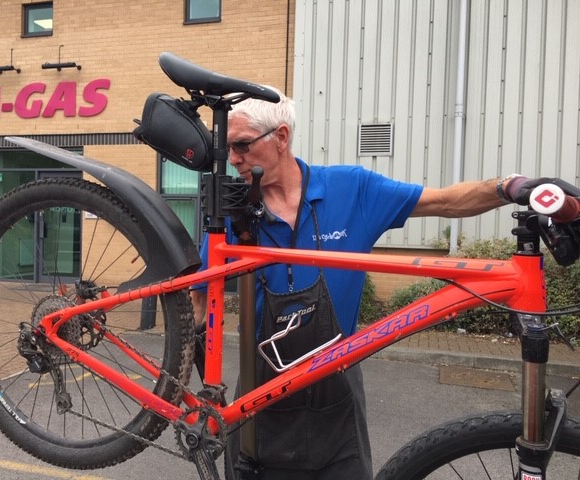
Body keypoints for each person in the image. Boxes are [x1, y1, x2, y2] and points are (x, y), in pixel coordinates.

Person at [190, 87, 544, 479]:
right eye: (227, 148)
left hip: (338, 401)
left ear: (281, 137)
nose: (233, 159)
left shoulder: (352, 190)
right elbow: (202, 301)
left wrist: (510, 187)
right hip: (259, 403)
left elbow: (445, 202)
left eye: (240, 145)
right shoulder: (232, 216)